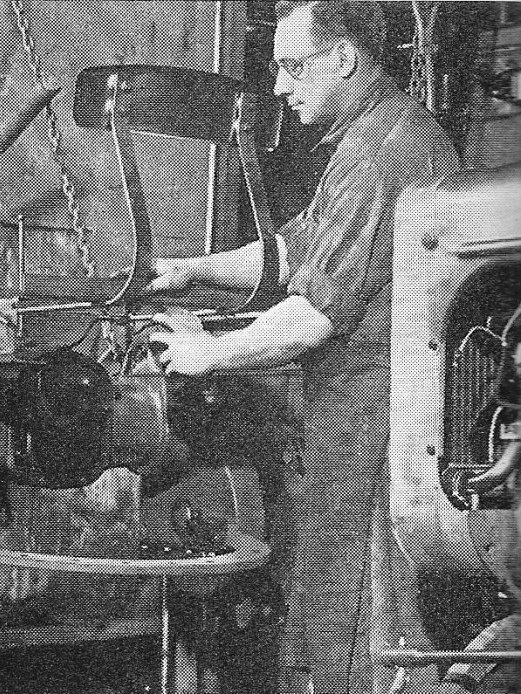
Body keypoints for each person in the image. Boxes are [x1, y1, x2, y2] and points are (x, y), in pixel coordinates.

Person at [146, 2, 460, 693]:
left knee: (353, 613)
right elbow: (295, 251)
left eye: (291, 67)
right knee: (336, 606)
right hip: (347, 415)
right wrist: (192, 270)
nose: (279, 88)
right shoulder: (370, 137)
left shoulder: (384, 152)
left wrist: (211, 352)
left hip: (373, 420)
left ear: (343, 59)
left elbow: (315, 314)